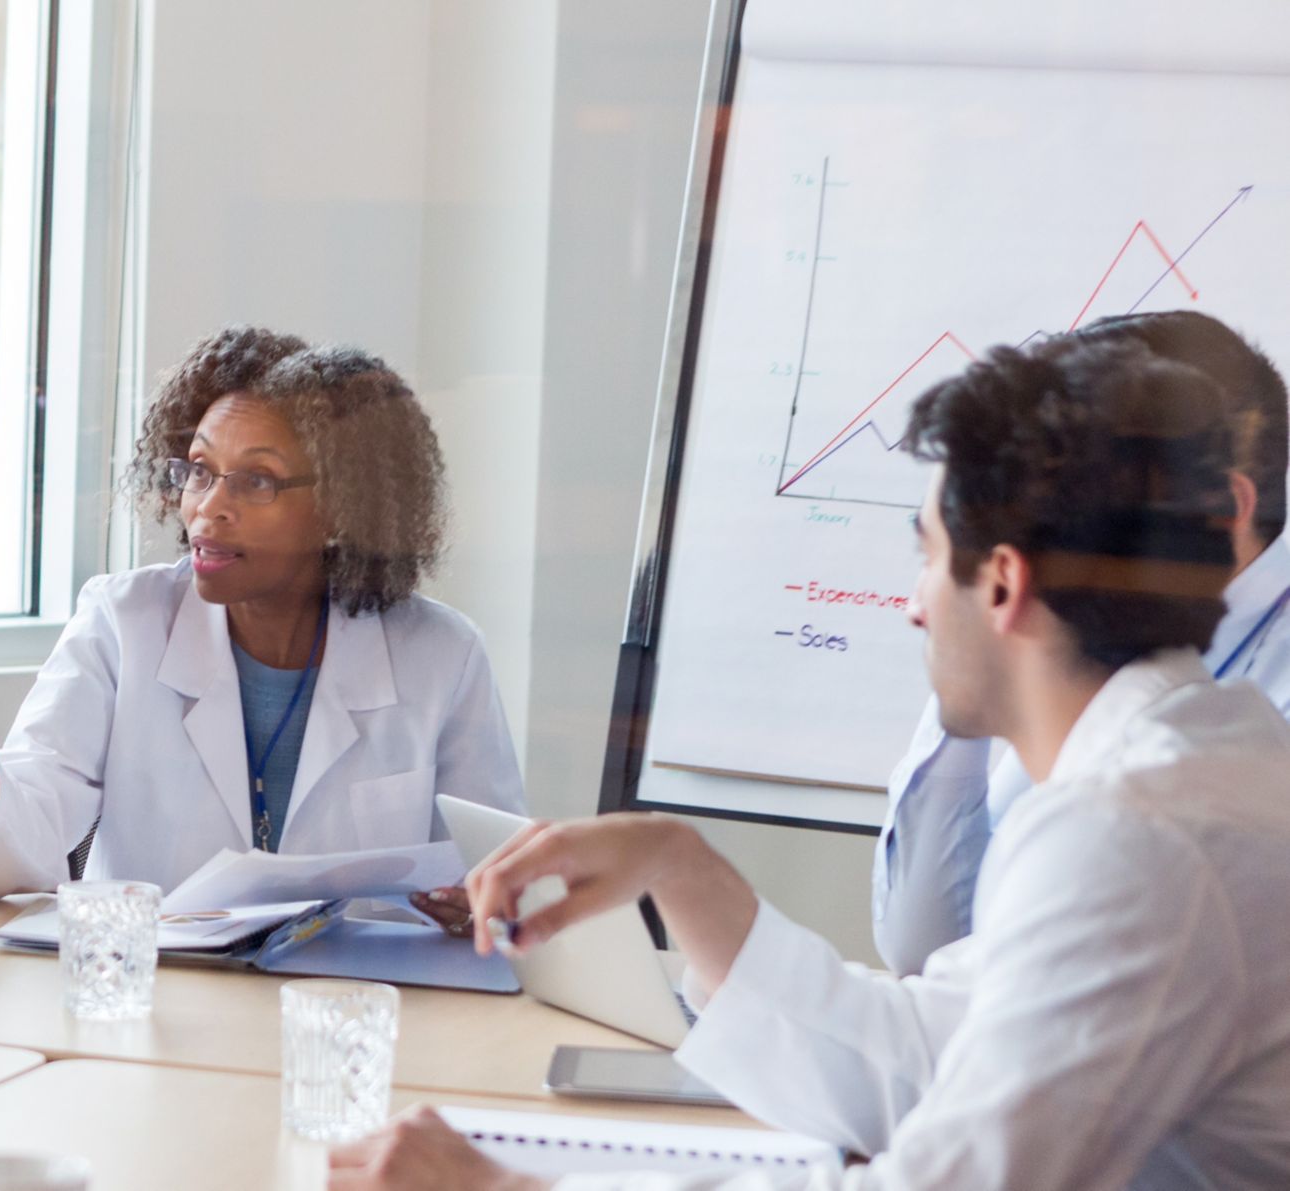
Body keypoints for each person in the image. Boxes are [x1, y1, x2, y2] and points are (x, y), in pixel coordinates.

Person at [331, 335, 1290, 1189]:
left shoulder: (1136, 833)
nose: (913, 604)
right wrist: (680, 865)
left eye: (926, 557)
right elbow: (924, 1059)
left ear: (1001, 583)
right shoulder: (1189, 756)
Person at [0, 326, 525, 903]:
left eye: (256, 480)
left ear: (342, 507)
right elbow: (2, 861)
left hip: (345, 1012)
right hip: (154, 1012)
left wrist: (480, 904)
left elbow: (502, 880)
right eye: (200, 470)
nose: (210, 506)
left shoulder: (442, 656)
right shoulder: (123, 624)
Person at [873, 311, 1290, 974]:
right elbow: (921, 949)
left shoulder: (1250, 723)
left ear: (1220, 510)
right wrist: (976, 629)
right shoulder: (1042, 629)